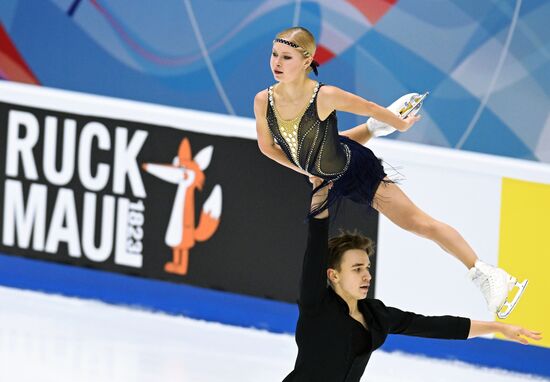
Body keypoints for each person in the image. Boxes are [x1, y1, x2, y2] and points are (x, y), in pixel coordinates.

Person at [253, 26, 527, 318]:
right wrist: (307, 170)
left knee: (419, 224)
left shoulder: (325, 96)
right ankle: (371, 130)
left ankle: (489, 274)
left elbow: (369, 105)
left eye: (287, 57)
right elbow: (268, 148)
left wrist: (399, 124)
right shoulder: (263, 100)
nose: (277, 63)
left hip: (356, 170)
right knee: (329, 149)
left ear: (307, 61)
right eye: (274, 55)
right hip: (330, 162)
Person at [282, 177, 541, 381]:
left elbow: (436, 326)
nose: (366, 275)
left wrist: (499, 328)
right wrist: (320, 190)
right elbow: (317, 239)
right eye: (357, 268)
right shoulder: (316, 304)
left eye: (367, 267)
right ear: (333, 275)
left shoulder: (376, 316)